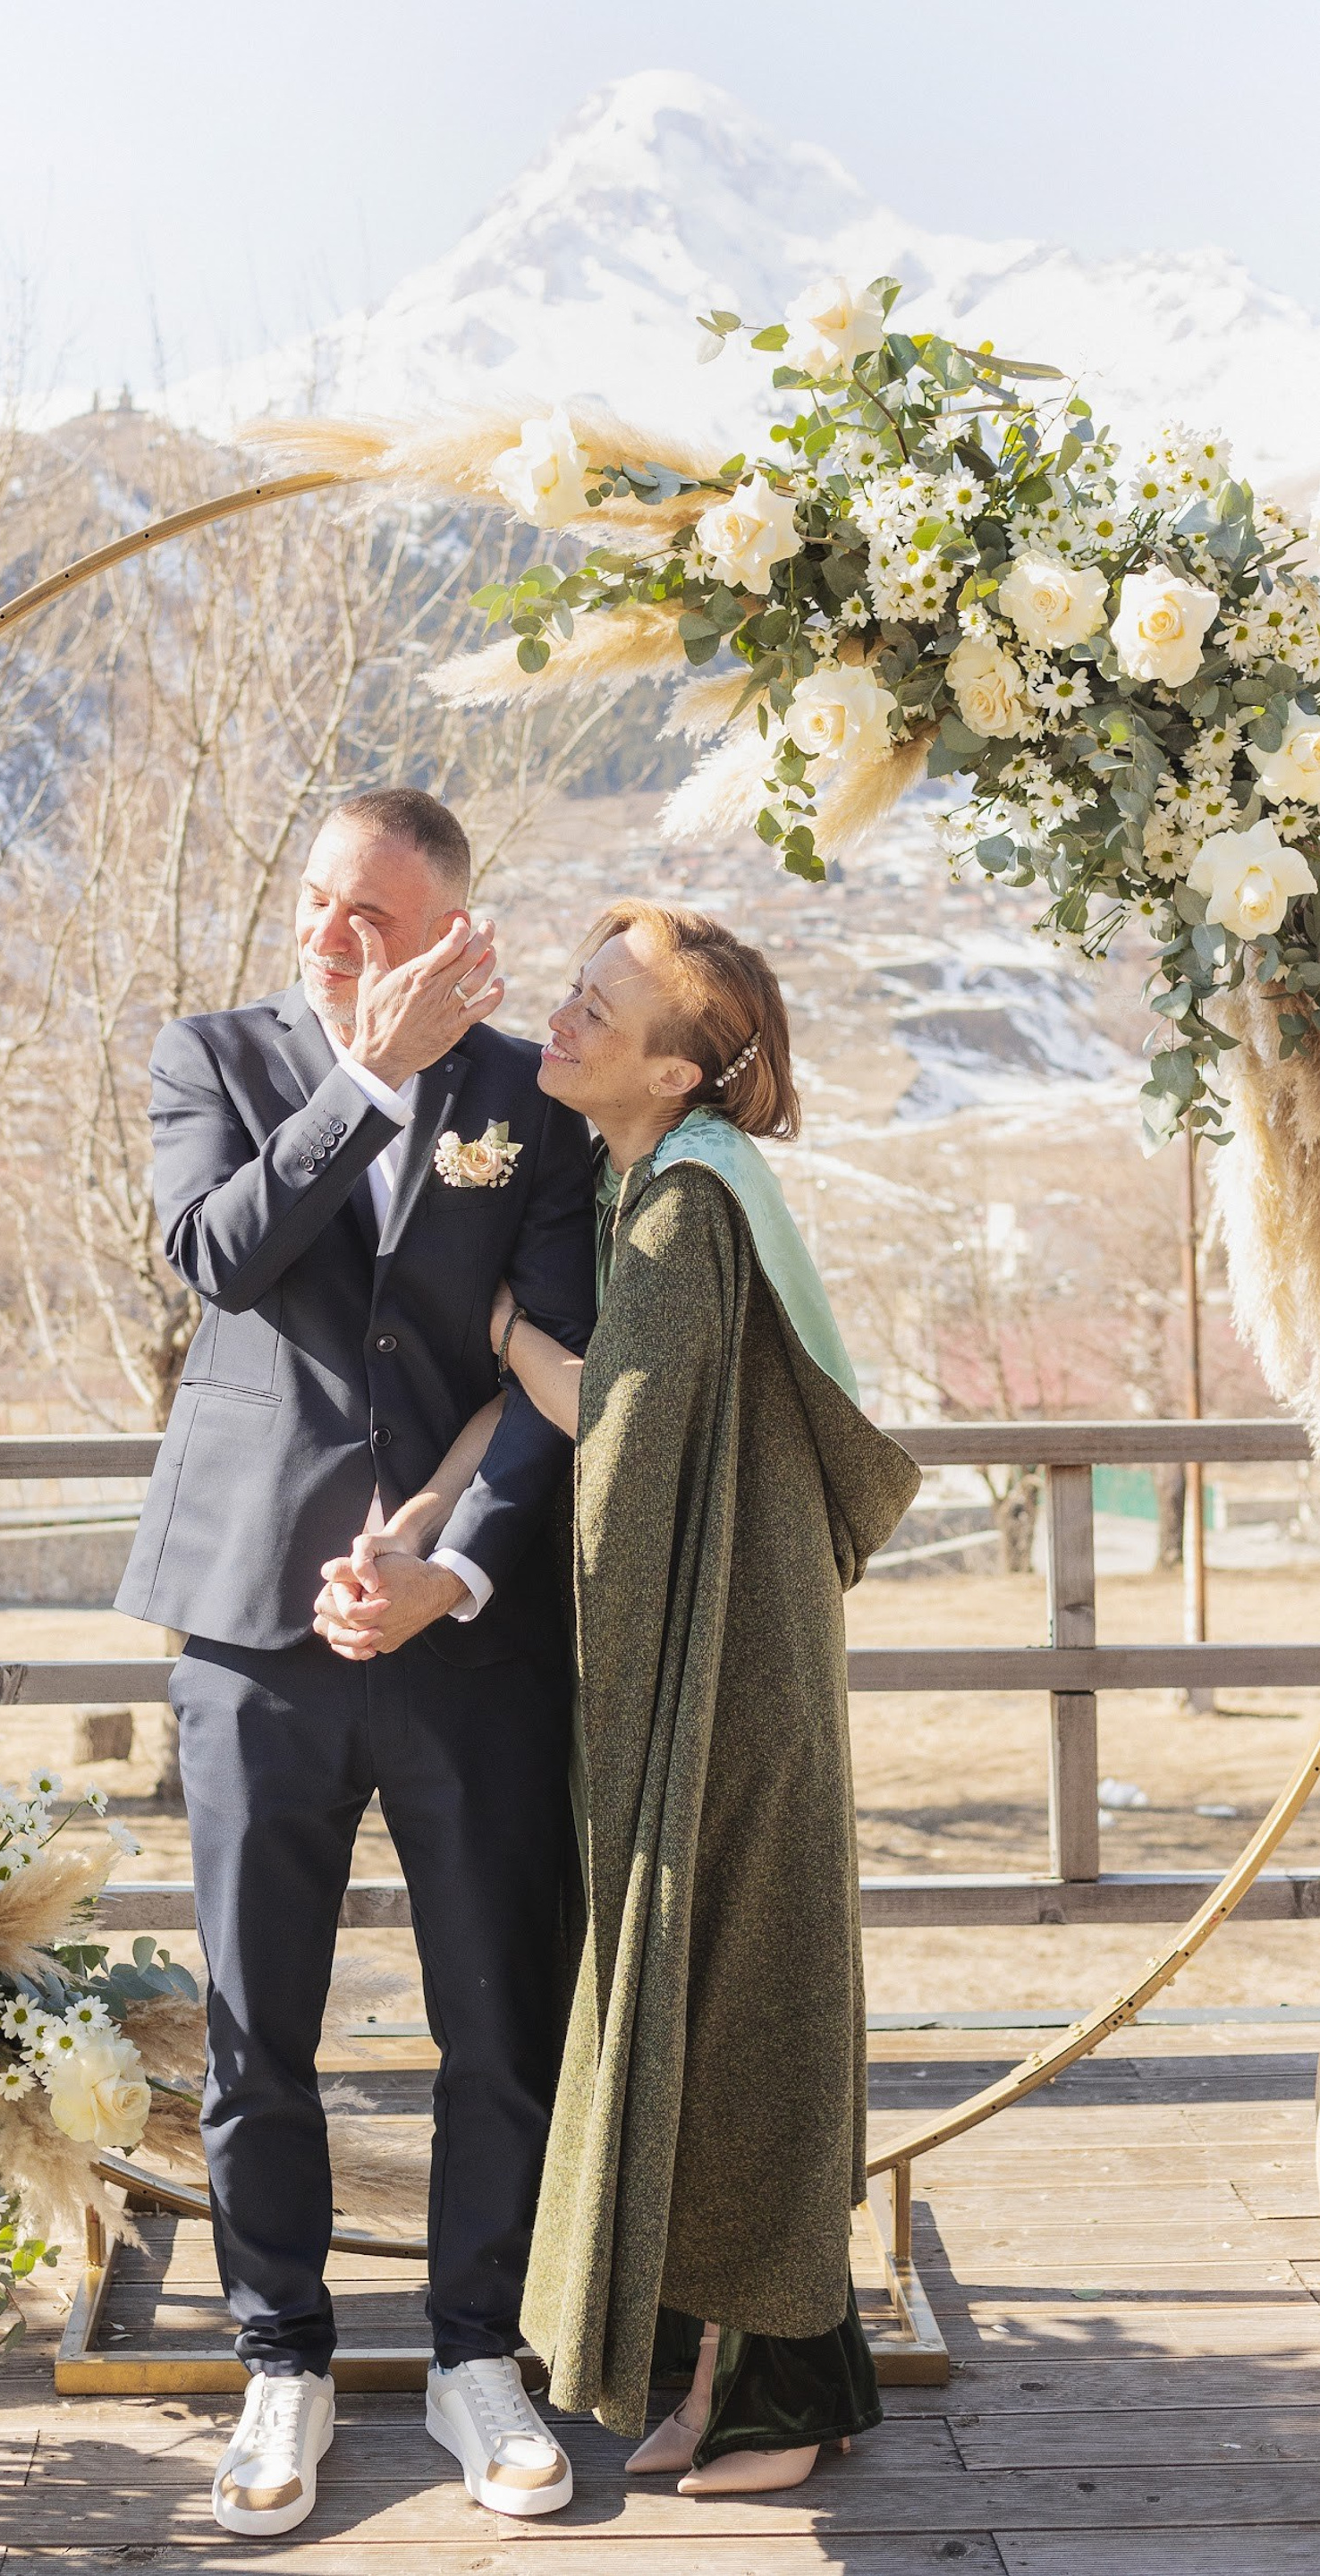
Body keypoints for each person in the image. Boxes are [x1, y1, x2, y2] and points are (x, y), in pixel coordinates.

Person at [321, 900, 919, 2495]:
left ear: (676, 1071)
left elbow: (627, 1445)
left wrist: (515, 1336)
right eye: (571, 999)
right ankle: (781, 2378)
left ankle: (771, 2410)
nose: (561, 1030)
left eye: (599, 1015)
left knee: (729, 2011)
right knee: (734, 1997)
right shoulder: (669, 1186)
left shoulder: (679, 1214)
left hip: (729, 1681)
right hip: (735, 1657)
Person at [116, 787, 595, 2538]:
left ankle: (482, 2352)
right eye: (318, 900)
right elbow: (219, 1257)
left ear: (459, 935)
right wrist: (368, 1078)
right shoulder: (218, 1057)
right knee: (260, 2027)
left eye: (374, 918)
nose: (331, 937)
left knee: (499, 2009)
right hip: (254, 1623)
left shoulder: (541, 1100)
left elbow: (560, 1368)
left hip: (466, 1640)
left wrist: (452, 1574)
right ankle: (283, 2357)